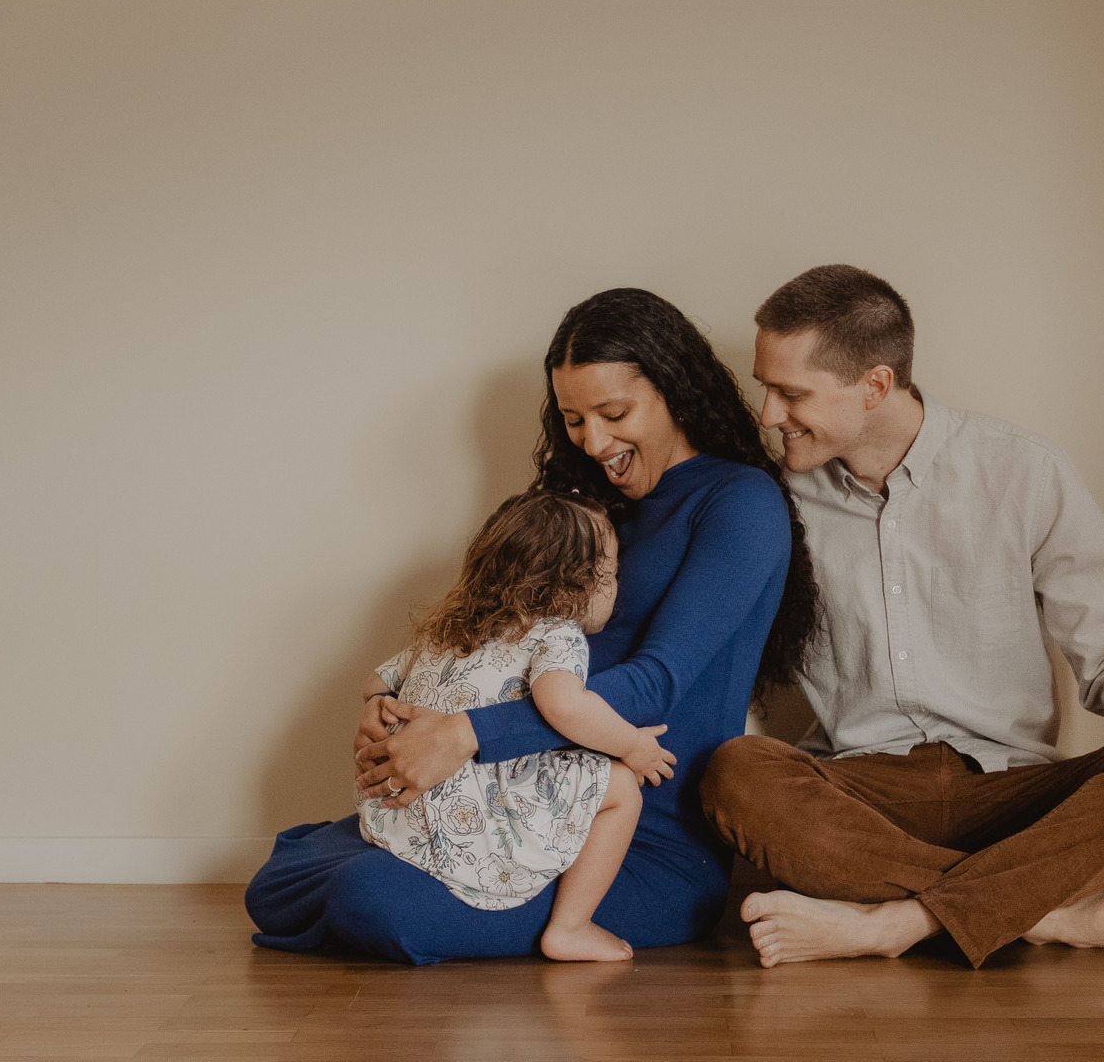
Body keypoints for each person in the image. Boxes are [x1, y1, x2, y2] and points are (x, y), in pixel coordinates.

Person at [701, 264, 1104, 969]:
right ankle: (1047, 913)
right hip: (864, 796)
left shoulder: (1026, 471)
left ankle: (893, 925)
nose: (768, 415)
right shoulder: (768, 500)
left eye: (790, 393)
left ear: (874, 385)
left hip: (1015, 793)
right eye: (765, 389)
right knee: (735, 772)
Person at [244, 288, 823, 964]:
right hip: (513, 808)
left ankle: (369, 875)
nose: (595, 441)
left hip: (636, 841)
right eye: (575, 419)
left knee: (370, 899)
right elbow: (488, 637)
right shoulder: (584, 513)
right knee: (275, 883)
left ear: (674, 389)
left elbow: (655, 683)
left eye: (614, 413)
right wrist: (392, 714)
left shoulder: (740, 503)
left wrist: (463, 735)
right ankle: (347, 864)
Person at [356, 488, 674, 961]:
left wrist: (378, 707)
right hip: (479, 833)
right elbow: (564, 707)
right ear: (578, 584)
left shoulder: (447, 626)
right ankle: (571, 926)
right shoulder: (556, 634)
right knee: (622, 789)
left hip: (398, 816)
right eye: (611, 572)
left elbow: (375, 682)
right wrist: (631, 745)